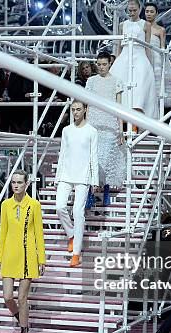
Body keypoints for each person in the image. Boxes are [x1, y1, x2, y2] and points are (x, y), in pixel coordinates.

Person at [0, 169, 46, 333]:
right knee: (8, 297)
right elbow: (3, 233)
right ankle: (21, 318)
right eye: (13, 182)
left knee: (22, 298)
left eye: (19, 182)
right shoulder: (5, 205)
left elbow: (39, 234)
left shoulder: (34, 205)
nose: (16, 185)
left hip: (27, 256)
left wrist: (42, 259)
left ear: (26, 184)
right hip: (9, 255)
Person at [55, 101, 99, 267]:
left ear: (85, 110)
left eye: (79, 109)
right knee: (59, 206)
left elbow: (93, 156)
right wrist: (58, 176)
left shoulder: (91, 131)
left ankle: (76, 253)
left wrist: (94, 180)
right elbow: (62, 154)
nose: (75, 112)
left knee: (78, 213)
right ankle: (71, 234)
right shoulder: (66, 130)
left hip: (83, 176)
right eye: (73, 110)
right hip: (66, 173)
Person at [85, 52, 124, 206]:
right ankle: (90, 194)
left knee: (106, 159)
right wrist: (85, 125)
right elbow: (87, 105)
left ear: (109, 64)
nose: (101, 67)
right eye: (99, 64)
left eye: (104, 64)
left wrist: (120, 130)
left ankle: (106, 191)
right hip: (93, 123)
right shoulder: (91, 81)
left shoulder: (117, 81)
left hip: (110, 124)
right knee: (92, 159)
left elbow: (119, 108)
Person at [110, 0, 157, 121]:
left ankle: (141, 122)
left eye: (134, 10)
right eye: (129, 10)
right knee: (120, 87)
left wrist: (150, 64)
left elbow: (147, 46)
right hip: (124, 58)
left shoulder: (145, 25)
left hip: (140, 57)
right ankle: (121, 121)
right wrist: (116, 60)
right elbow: (119, 46)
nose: (132, 13)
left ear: (139, 9)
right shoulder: (122, 25)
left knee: (140, 89)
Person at [144, 3, 171, 110]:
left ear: (156, 13)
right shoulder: (141, 27)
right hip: (143, 56)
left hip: (156, 60)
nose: (149, 14)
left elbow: (162, 47)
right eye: (147, 11)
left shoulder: (161, 30)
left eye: (151, 12)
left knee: (157, 87)